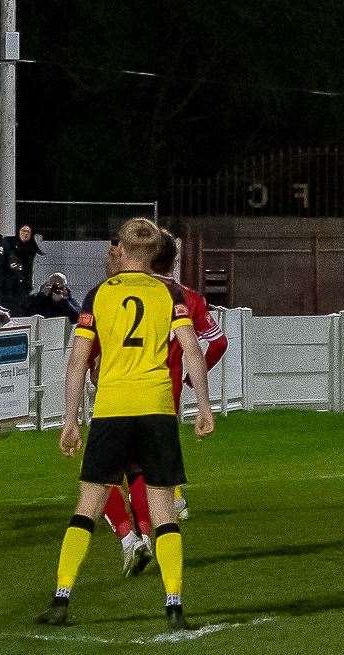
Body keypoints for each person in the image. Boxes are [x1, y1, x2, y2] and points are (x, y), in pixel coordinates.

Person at [35, 218, 216, 630]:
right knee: (163, 510)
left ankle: (61, 600)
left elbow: (78, 360)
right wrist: (203, 406)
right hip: (155, 407)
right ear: (154, 253)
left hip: (111, 408)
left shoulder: (98, 294)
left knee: (88, 506)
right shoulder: (169, 292)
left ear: (122, 250)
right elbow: (192, 349)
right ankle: (174, 607)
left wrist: (70, 419)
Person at [99, 228, 230, 575]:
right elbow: (216, 343)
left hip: (119, 394)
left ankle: (131, 540)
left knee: (103, 473)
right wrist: (191, 382)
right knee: (146, 474)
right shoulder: (187, 298)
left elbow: (91, 352)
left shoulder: (116, 293)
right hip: (163, 400)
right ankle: (152, 534)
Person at [0, 224, 42, 316]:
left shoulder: (32, 248)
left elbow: (29, 270)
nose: (25, 234)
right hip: (7, 288)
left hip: (23, 289)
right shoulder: (9, 245)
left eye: (28, 232)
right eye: (23, 231)